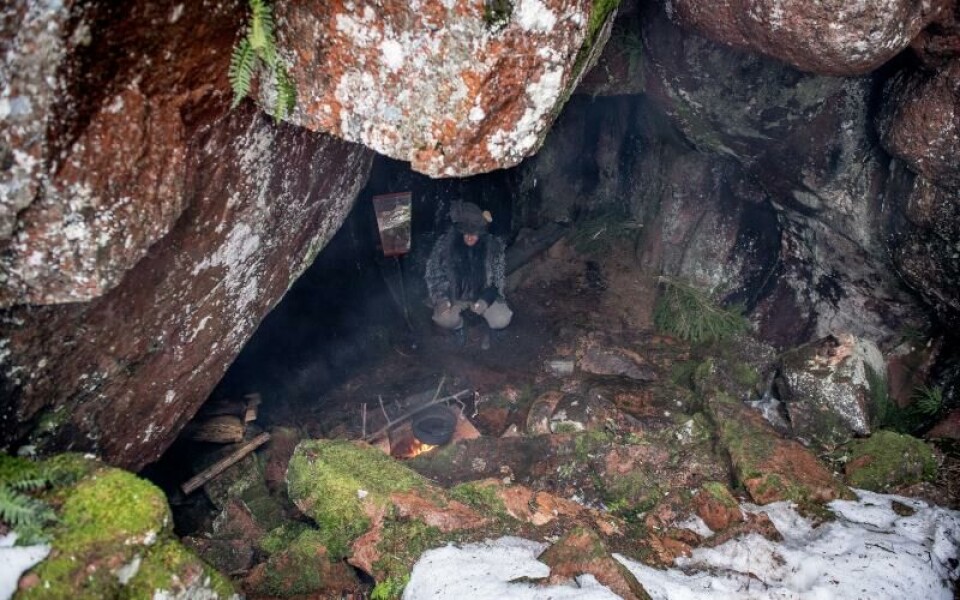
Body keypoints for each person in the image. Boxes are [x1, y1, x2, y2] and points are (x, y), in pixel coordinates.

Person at [425, 201, 513, 348]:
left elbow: (497, 282)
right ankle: (459, 329)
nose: (470, 237)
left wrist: (485, 300)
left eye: (475, 233)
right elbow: (434, 276)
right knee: (443, 318)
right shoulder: (444, 247)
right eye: (466, 233)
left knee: (502, 319)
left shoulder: (492, 247)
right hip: (455, 296)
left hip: (482, 294)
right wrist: (442, 299)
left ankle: (492, 331)